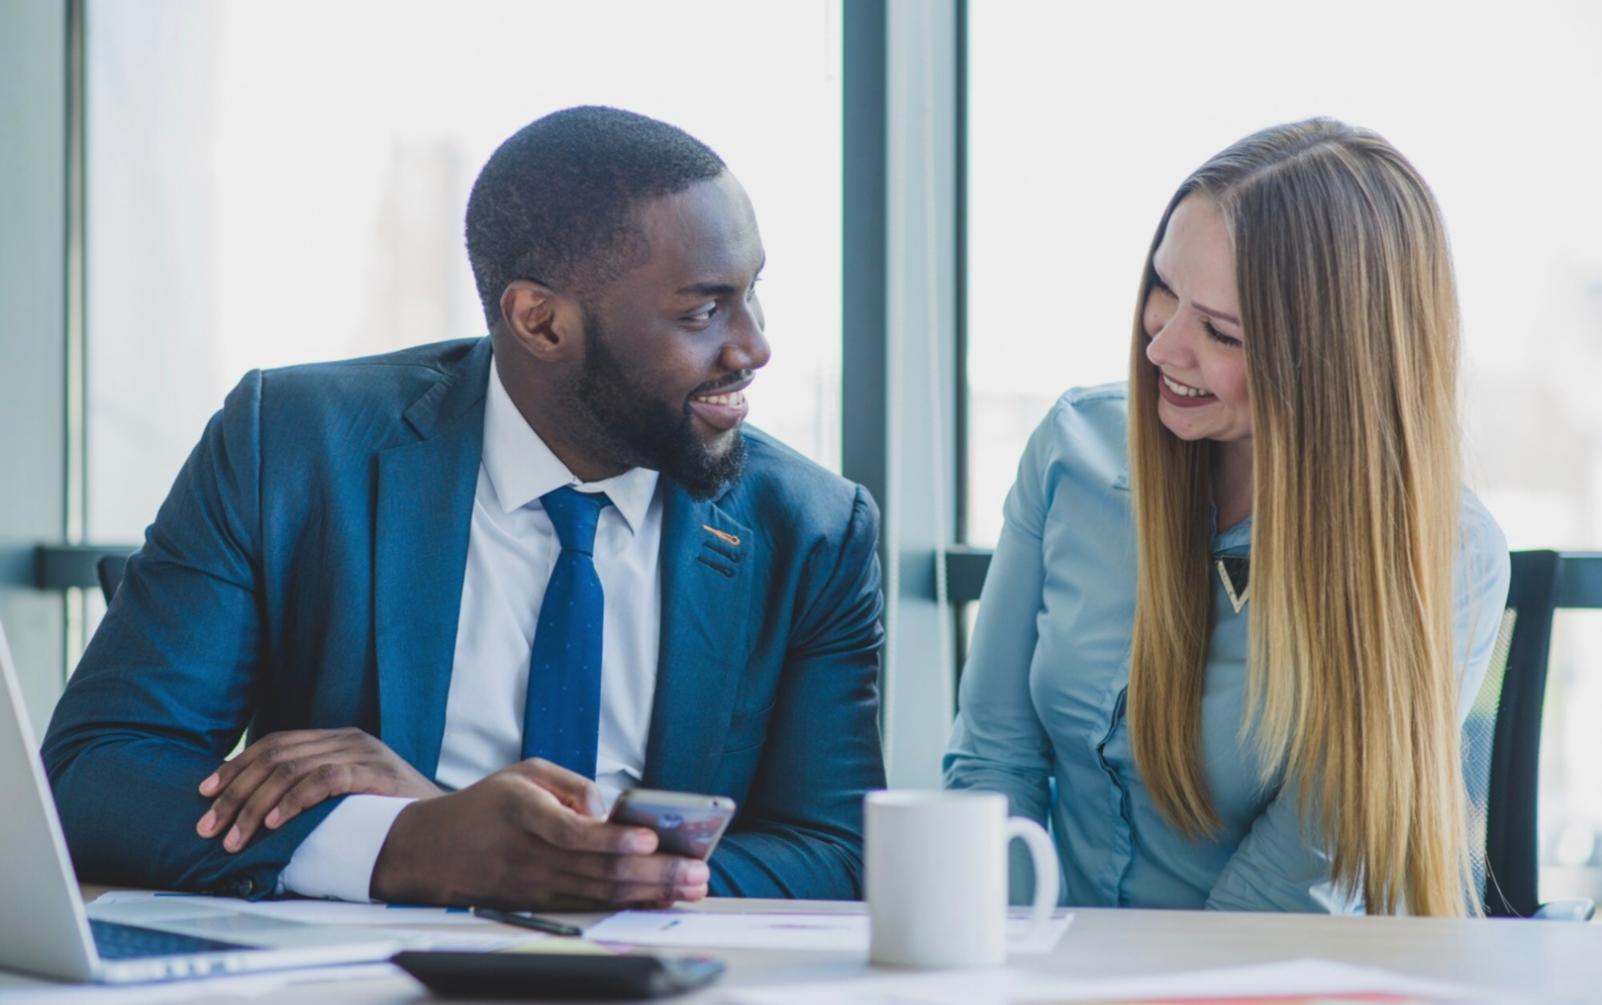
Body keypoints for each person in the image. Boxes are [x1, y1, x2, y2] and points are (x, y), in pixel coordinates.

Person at [43, 106, 885, 908]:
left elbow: (838, 850)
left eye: (752, 293)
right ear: (540, 321)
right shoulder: (292, 447)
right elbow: (96, 773)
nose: (754, 346)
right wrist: (409, 840)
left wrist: (537, 860)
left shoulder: (810, 527)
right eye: (704, 309)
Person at [944, 118, 1509, 916]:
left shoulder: (1445, 554)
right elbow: (991, 758)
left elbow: (1294, 883)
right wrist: (998, 957)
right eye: (1163, 291)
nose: (1161, 347)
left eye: (1220, 331)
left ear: (1330, 364)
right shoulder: (1073, 449)